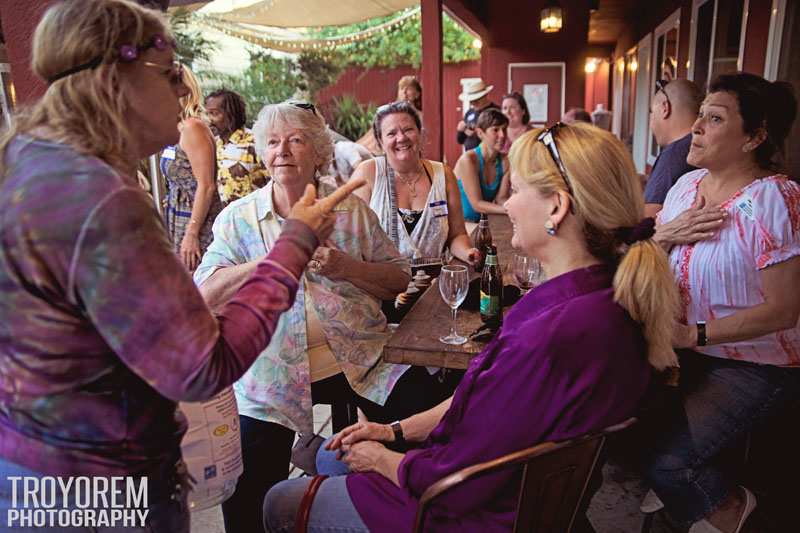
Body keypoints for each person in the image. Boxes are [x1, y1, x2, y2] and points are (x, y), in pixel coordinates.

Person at [0, 2, 360, 532]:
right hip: (102, 484)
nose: (183, 94)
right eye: (170, 75)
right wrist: (294, 246)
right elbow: (199, 367)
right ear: (117, 77)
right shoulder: (99, 196)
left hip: (33, 471)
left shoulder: (30, 160)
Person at [263, 121, 681, 532]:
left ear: (557, 207)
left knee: (280, 500)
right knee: (330, 457)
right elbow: (476, 399)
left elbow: (456, 482)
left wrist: (380, 458)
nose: (509, 205)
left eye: (516, 192)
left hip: (465, 512)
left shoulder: (552, 333)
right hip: (507, 491)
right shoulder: (604, 296)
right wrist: (393, 430)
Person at [194, 100, 450, 533]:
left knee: (433, 427)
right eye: (273, 142)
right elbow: (206, 294)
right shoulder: (239, 220)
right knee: (247, 481)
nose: (283, 151)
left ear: (317, 151)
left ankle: (403, 514)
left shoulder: (352, 213)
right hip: (270, 375)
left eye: (295, 140)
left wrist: (346, 267)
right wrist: (279, 254)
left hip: (360, 358)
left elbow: (396, 281)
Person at [646, 73, 800, 533]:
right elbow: (651, 257)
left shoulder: (772, 199)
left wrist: (692, 334)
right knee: (612, 426)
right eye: (700, 116)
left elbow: (785, 309)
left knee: (669, 464)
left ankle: (740, 515)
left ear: (754, 136)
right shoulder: (684, 188)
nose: (696, 127)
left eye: (714, 119)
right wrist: (662, 237)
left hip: (754, 364)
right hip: (681, 355)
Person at [351, 101, 480, 270]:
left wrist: (467, 253)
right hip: (384, 285)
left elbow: (457, 234)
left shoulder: (443, 175)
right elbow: (351, 240)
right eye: (391, 133)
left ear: (420, 134)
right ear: (380, 142)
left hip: (433, 284)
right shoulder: (368, 173)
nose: (401, 138)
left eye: (408, 130)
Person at [160, 64, 223, 271]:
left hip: (196, 221)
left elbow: (207, 186)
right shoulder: (175, 128)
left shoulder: (192, 127)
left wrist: (192, 233)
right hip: (177, 216)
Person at [644, 78, 703, 217]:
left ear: (665, 108)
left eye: (652, 112)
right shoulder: (697, 147)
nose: (651, 122)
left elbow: (650, 216)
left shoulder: (675, 153)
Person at [205, 88, 269, 205]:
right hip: (223, 219)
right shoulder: (213, 144)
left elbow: (273, 181)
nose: (209, 120)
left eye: (214, 113)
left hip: (253, 216)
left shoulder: (254, 142)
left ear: (231, 114)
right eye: (207, 113)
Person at [454, 108, 511, 224]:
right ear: (480, 133)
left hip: (482, 224)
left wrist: (521, 205)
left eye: (504, 129)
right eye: (495, 130)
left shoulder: (505, 161)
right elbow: (477, 204)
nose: (502, 135)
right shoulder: (469, 160)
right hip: (459, 225)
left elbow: (501, 199)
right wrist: (511, 209)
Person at [357, 75, 423, 155]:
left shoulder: (421, 116)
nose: (404, 92)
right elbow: (370, 137)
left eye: (408, 88)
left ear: (417, 94)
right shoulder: (389, 114)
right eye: (402, 88)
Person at [457, 79, 500, 151]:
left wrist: (478, 134)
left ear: (485, 96)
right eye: (471, 101)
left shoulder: (496, 112)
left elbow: (499, 136)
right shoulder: (469, 113)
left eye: (476, 100)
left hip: (489, 155)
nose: (473, 103)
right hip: (471, 155)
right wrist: (460, 131)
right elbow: (460, 140)